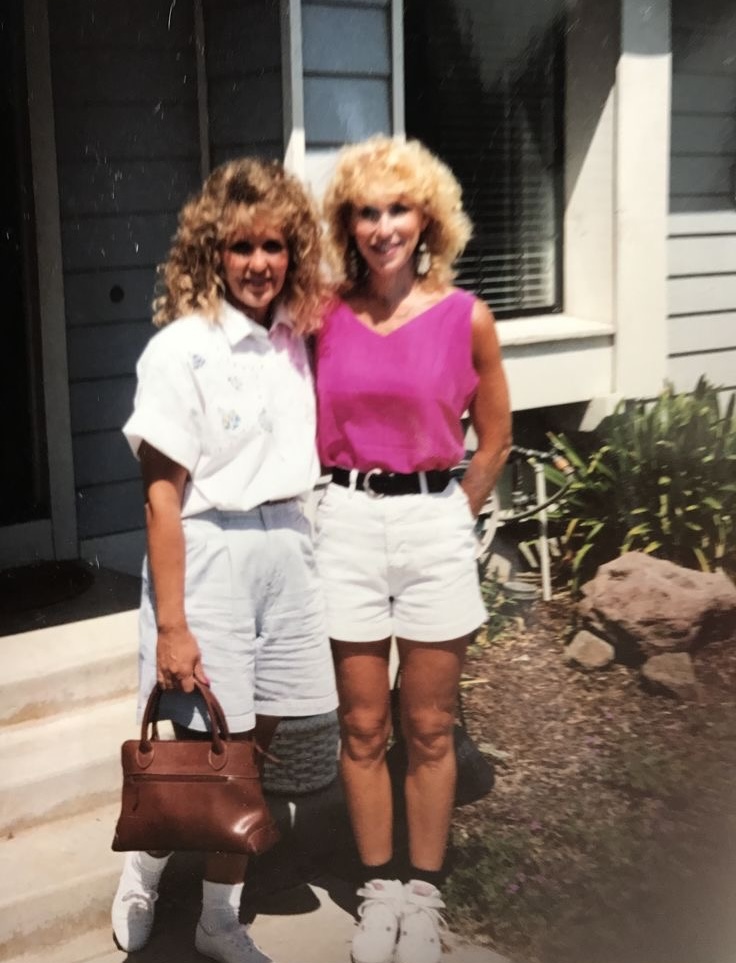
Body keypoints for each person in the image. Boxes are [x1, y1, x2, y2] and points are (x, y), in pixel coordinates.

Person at [111, 158, 337, 963]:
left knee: (256, 745)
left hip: (288, 546)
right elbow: (160, 498)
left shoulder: (294, 342)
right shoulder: (181, 349)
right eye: (241, 246)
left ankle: (217, 918)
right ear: (213, 251)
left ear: (292, 252)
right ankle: (142, 865)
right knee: (198, 739)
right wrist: (173, 626)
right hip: (209, 553)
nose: (259, 263)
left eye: (275, 245)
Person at [314, 136, 512, 963]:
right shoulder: (320, 314)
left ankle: (423, 896)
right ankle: (378, 892)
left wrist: (450, 517)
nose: (383, 226)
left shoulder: (468, 317)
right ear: (349, 224)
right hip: (346, 521)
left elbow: (496, 439)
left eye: (398, 208)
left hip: (433, 520)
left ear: (426, 216)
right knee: (362, 725)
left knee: (428, 726)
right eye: (367, 211)